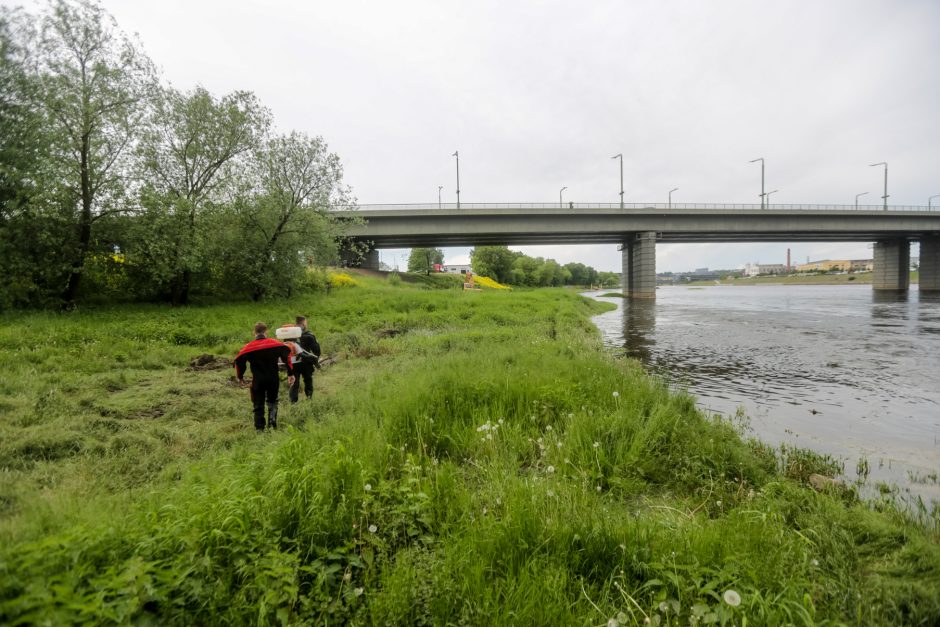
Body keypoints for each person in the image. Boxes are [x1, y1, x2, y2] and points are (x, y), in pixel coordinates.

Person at [234, 322, 294, 431]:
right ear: (266, 332)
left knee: (258, 405)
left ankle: (259, 430)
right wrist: (290, 373)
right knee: (273, 402)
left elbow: (239, 361)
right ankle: (272, 426)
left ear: (254, 333)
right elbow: (287, 355)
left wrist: (240, 377)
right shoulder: (275, 344)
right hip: (273, 379)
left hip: (258, 380)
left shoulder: (249, 347)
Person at [289, 315, 321, 403]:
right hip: (306, 363)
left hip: (293, 363)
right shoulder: (309, 336)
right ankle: (309, 399)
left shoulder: (289, 336)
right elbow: (316, 350)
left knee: (294, 383)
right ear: (303, 323)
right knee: (308, 380)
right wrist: (315, 361)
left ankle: (293, 403)